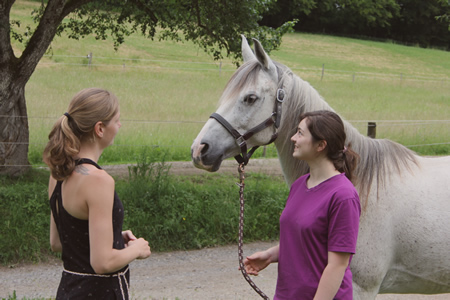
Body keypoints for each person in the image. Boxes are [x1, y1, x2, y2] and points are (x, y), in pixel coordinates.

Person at [43, 88, 151, 299]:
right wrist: (137, 248)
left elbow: (58, 242)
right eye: (117, 120)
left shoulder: (58, 173)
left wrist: (114, 238)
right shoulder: (99, 180)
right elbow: (102, 263)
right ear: (100, 128)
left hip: (68, 290)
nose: (120, 125)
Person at [243, 110, 361, 300]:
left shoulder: (343, 196)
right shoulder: (300, 184)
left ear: (321, 145)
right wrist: (270, 255)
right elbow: (304, 240)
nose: (292, 138)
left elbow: (337, 265)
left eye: (300, 133)